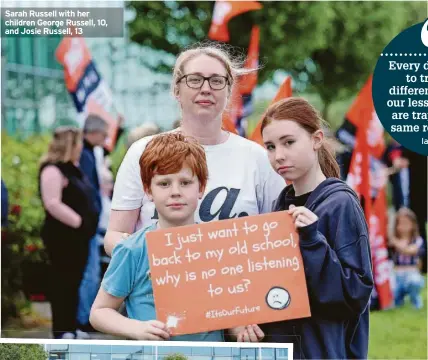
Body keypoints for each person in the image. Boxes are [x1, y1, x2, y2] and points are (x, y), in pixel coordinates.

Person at [104, 44, 284, 262]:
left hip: (236, 289)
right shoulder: (142, 152)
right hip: (158, 290)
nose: (206, 88)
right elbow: (114, 236)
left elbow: (278, 236)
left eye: (217, 81)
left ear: (229, 91)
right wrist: (148, 258)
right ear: (177, 90)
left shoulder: (258, 159)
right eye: (195, 79)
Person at [90, 133, 263, 341]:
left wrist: (240, 330)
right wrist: (135, 328)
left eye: (185, 182)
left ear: (201, 188)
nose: (175, 192)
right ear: (148, 191)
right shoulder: (133, 249)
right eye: (164, 184)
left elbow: (226, 310)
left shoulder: (218, 247)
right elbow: (99, 312)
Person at [260, 97, 374, 359]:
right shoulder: (278, 210)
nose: (279, 155)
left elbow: (354, 295)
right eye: (270, 146)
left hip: (322, 351)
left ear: (316, 139)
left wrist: (312, 240)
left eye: (289, 142)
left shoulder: (340, 203)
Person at [38, 126, 99, 339]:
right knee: (62, 282)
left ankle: (72, 326)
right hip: (62, 238)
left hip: (78, 238)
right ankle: (62, 329)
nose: (81, 147)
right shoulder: (52, 170)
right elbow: (52, 203)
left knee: (74, 282)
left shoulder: (73, 168)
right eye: (77, 143)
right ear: (69, 145)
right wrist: (78, 221)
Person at [76, 115, 108, 334]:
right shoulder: (85, 156)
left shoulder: (88, 153)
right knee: (89, 272)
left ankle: (83, 315)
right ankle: (83, 317)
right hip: (87, 223)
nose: (105, 139)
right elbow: (87, 190)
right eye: (104, 134)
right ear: (94, 132)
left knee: (91, 271)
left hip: (89, 221)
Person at [389, 207, 425, 309]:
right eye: (400, 223)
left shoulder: (417, 240)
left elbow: (410, 250)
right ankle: (398, 300)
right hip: (397, 274)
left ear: (413, 225)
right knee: (393, 294)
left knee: (415, 282)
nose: (403, 226)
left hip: (411, 273)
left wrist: (394, 241)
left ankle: (415, 301)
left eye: (406, 223)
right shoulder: (393, 242)